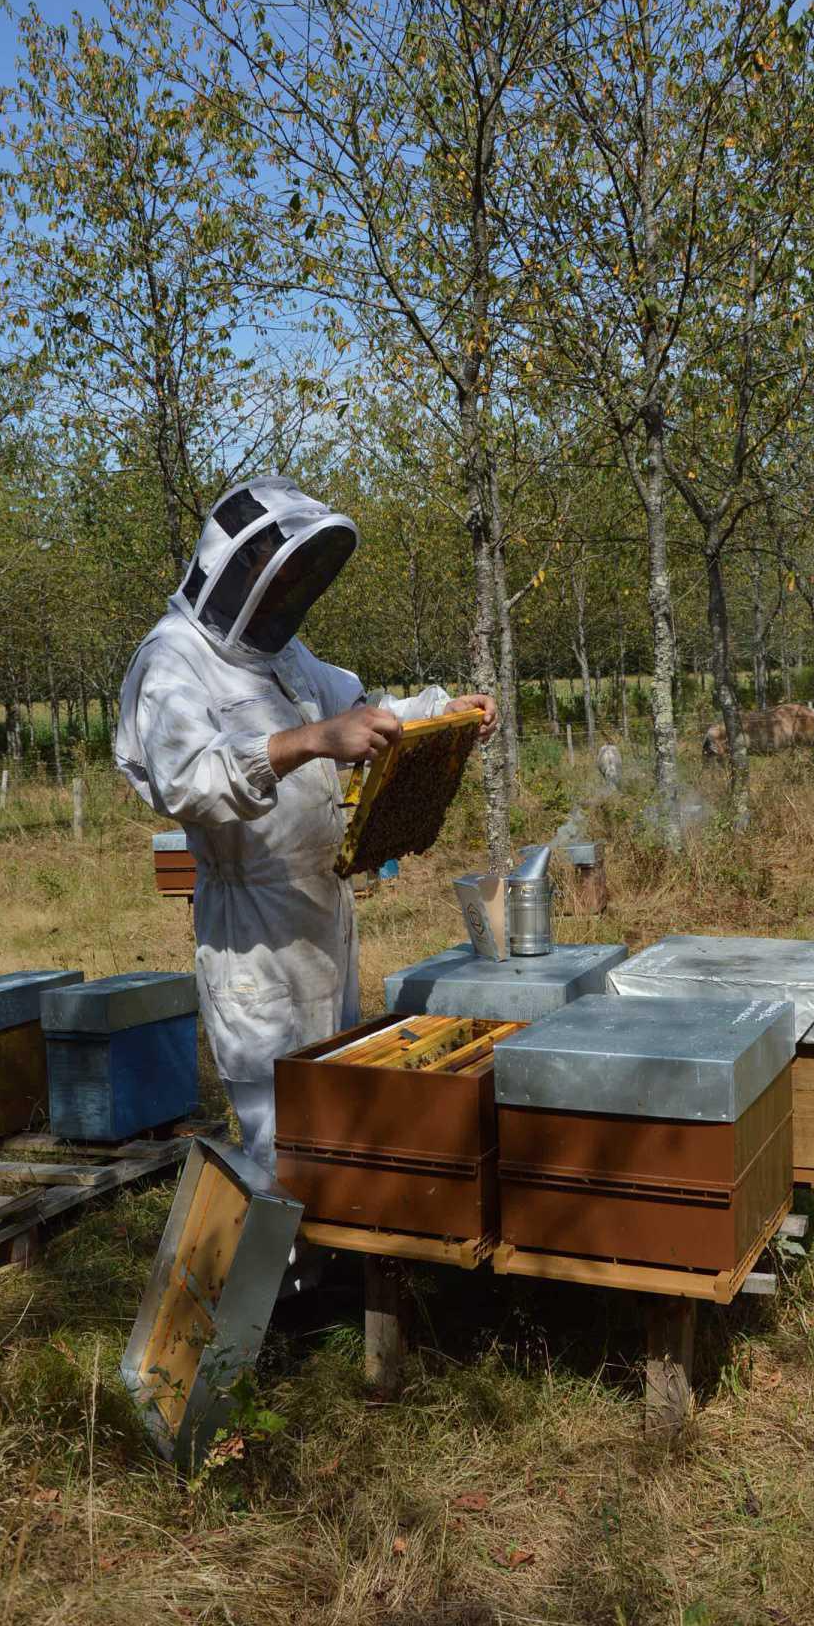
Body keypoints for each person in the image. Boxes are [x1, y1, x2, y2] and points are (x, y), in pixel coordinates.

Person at [115, 476, 497, 1174]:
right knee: (276, 1117)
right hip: (253, 928)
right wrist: (315, 740)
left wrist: (443, 711)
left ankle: (329, 1252)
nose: (287, 597)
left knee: (332, 1096)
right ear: (235, 573)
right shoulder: (171, 660)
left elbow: (359, 708)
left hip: (323, 906)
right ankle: (280, 1274)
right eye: (275, 578)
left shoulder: (280, 655)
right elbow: (185, 782)